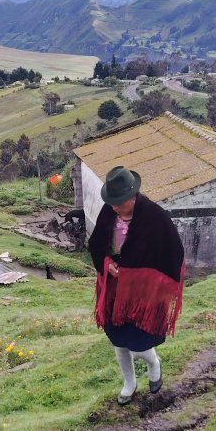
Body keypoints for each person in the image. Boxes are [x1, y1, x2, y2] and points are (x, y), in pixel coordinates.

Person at [88, 165, 185, 405]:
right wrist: (105, 263)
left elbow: (172, 251)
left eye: (119, 202)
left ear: (133, 197)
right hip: (114, 291)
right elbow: (97, 244)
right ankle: (129, 384)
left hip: (143, 295)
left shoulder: (155, 216)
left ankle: (154, 364)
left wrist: (142, 277)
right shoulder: (109, 212)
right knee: (119, 341)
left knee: (139, 346)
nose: (114, 207)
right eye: (112, 202)